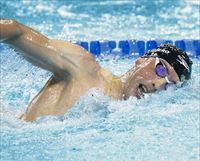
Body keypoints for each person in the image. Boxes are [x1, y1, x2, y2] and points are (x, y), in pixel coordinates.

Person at [0, 19, 193, 122]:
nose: (158, 84)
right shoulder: (84, 69)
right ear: (141, 60)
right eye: (161, 70)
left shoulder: (126, 115)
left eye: (169, 85)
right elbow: (17, 31)